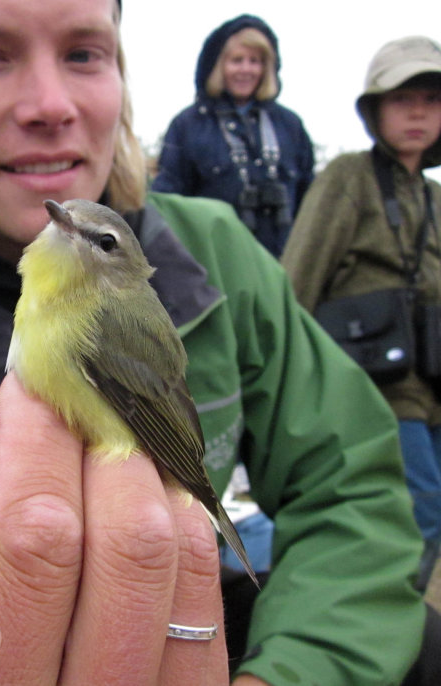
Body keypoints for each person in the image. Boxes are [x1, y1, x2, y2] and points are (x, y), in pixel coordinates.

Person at [0, 1, 427, 684]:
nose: (48, 105)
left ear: (122, 76)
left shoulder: (222, 259)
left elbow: (358, 494)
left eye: (84, 52)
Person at [282, 35, 441, 594]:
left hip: (431, 388)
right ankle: (394, 649)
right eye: (402, 99)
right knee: (419, 516)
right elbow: (296, 278)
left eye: (431, 98)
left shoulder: (433, 198)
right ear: (376, 110)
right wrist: (289, 391)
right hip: (374, 388)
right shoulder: (349, 177)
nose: (418, 111)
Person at [151, 14, 314, 258]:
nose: (246, 69)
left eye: (255, 61)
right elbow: (166, 204)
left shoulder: (290, 125)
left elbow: (310, 200)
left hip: (285, 263)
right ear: (219, 65)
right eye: (237, 60)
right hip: (216, 266)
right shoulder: (188, 125)